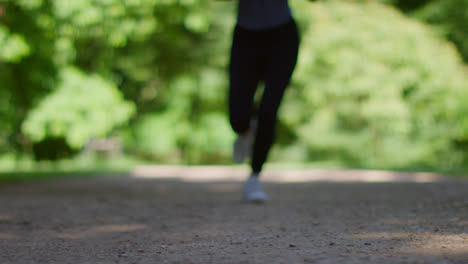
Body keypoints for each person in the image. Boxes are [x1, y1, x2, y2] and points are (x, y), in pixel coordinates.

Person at [226, 0, 301, 202]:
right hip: (246, 38)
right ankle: (244, 130)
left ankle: (254, 176)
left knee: (268, 109)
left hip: (283, 37)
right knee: (238, 115)